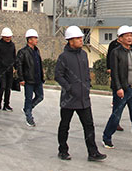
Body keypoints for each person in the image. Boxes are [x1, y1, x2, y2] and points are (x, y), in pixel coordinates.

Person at [54, 26, 107, 162]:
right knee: (65, 125)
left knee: (89, 126)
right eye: (78, 38)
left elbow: (86, 72)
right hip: (69, 99)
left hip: (84, 99)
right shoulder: (63, 57)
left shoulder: (84, 54)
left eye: (81, 38)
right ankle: (63, 150)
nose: (81, 40)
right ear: (70, 40)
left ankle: (93, 152)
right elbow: (58, 75)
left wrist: (87, 85)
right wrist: (69, 88)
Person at [102, 25, 132, 154]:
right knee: (116, 116)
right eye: (127, 36)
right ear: (120, 39)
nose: (130, 38)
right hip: (123, 89)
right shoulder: (116, 52)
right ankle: (107, 137)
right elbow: (115, 72)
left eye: (131, 35)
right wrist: (118, 88)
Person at [16, 28, 44, 127]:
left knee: (40, 96)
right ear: (29, 40)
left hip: (38, 79)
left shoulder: (37, 51)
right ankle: (29, 117)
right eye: (34, 38)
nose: (36, 40)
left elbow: (39, 64)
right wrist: (21, 78)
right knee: (28, 98)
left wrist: (42, 77)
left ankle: (27, 108)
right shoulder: (23, 52)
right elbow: (19, 65)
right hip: (28, 79)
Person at [0, 27, 16, 111]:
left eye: (9, 37)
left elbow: (14, 56)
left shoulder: (12, 45)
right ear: (3, 37)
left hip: (10, 69)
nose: (8, 38)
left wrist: (15, 67)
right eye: (6, 37)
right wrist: (1, 62)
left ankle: (6, 104)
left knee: (8, 88)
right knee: (2, 86)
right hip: (1, 69)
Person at [105, 29, 124, 132]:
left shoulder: (127, 46)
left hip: (124, 75)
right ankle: (114, 124)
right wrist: (109, 67)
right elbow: (109, 56)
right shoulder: (113, 44)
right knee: (117, 100)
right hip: (115, 71)